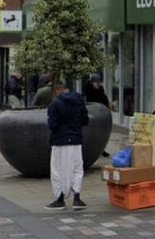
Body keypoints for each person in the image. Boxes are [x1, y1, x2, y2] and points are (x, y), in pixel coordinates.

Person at [46, 81, 89, 210]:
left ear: (58, 90)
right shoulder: (79, 102)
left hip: (59, 140)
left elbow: (52, 124)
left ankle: (59, 199)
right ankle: (77, 198)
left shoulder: (55, 104)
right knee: (77, 168)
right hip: (76, 139)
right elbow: (85, 120)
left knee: (57, 170)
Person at [83, 73, 112, 157]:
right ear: (92, 83)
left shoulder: (100, 90)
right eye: (96, 83)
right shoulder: (88, 90)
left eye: (99, 83)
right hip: (92, 113)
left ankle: (101, 150)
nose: (98, 85)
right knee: (92, 133)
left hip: (100, 113)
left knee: (101, 134)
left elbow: (104, 98)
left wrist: (107, 107)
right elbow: (88, 101)